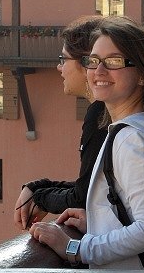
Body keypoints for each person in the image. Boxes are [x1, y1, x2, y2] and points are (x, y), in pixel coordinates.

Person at [28, 16, 144, 270]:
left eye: (114, 61)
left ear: (143, 75)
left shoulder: (133, 140)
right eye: (93, 61)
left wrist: (74, 248)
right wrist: (104, 220)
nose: (99, 71)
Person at [14, 15, 109, 230]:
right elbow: (91, 187)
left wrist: (40, 196)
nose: (59, 68)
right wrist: (41, 189)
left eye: (63, 59)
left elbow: (84, 197)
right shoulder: (104, 110)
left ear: (87, 63)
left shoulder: (101, 114)